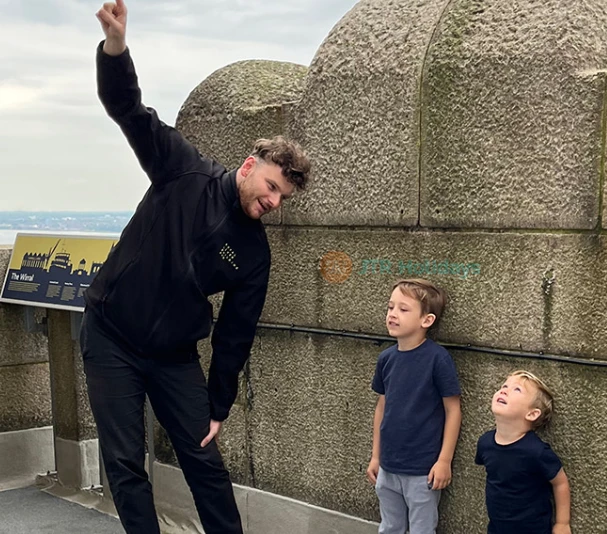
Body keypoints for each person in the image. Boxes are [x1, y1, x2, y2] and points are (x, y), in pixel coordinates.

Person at [81, 1, 311, 532]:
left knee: (205, 464)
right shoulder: (182, 169)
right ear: (251, 166)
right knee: (124, 463)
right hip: (111, 334)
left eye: (284, 197)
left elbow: (236, 332)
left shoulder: (255, 255)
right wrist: (115, 46)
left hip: (174, 357)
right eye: (272, 187)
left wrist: (219, 405)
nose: (274, 201)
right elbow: (127, 108)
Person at [367, 279, 462, 534]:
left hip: (423, 471)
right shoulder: (386, 359)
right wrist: (376, 456)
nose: (392, 314)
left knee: (422, 530)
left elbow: (453, 410)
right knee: (390, 527)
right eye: (390, 307)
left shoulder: (437, 359)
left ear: (427, 320)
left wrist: (444, 460)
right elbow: (381, 408)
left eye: (403, 309)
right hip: (388, 466)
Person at [475, 370, 571, 534]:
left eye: (516, 389)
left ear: (532, 414)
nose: (504, 390)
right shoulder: (485, 443)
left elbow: (560, 482)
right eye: (504, 386)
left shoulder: (536, 451)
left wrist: (562, 522)